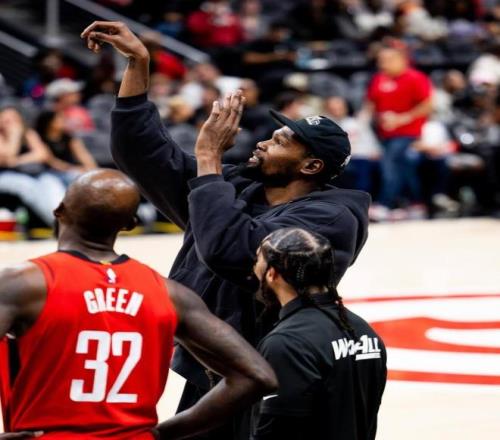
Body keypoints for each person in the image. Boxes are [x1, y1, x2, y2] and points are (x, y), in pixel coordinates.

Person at [81, 21, 370, 440]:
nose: (263, 142)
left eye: (281, 141)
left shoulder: (331, 217)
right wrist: (139, 65)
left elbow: (232, 250)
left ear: (310, 166)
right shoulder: (235, 185)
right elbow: (144, 155)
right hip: (214, 365)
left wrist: (208, 159)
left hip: (270, 373)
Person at [0, 169, 276, 439]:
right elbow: (257, 375)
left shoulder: (23, 283)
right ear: (131, 224)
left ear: (59, 210)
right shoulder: (170, 293)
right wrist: (164, 432)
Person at [252, 227, 387, 439]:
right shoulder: (363, 331)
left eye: (257, 261)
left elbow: (274, 431)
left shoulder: (285, 344)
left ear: (272, 274)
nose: (253, 268)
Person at [363, 44, 433, 218]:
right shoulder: (379, 78)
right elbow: (371, 104)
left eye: (388, 60)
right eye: (380, 60)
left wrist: (402, 118)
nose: (382, 64)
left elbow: (427, 105)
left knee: (390, 164)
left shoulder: (416, 77)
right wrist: (366, 119)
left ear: (403, 60)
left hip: (409, 132)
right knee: (405, 166)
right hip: (384, 133)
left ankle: (385, 204)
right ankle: (415, 203)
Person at [0, 107, 66, 226]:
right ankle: (56, 224)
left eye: (14, 118)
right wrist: (14, 135)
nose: (11, 122)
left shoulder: (29, 133)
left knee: (53, 187)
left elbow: (42, 154)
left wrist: (17, 161)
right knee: (28, 187)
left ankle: (66, 222)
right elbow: (7, 159)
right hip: (7, 176)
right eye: (7, 119)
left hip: (37, 174)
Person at [35, 110, 97, 186]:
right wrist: (74, 169)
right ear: (49, 122)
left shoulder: (70, 138)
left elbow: (83, 155)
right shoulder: (39, 138)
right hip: (49, 173)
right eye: (60, 118)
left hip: (70, 171)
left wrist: (92, 169)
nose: (64, 120)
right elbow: (51, 161)